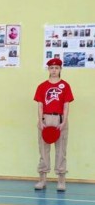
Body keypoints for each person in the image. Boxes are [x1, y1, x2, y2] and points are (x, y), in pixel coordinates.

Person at [33, 58, 74, 192]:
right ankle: (42, 179)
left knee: (61, 150)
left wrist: (63, 121)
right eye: (52, 68)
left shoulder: (65, 86)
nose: (54, 70)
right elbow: (40, 105)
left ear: (60, 69)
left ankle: (61, 181)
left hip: (59, 119)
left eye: (57, 68)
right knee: (43, 150)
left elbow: (66, 105)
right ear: (48, 69)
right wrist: (41, 121)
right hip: (45, 118)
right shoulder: (42, 86)